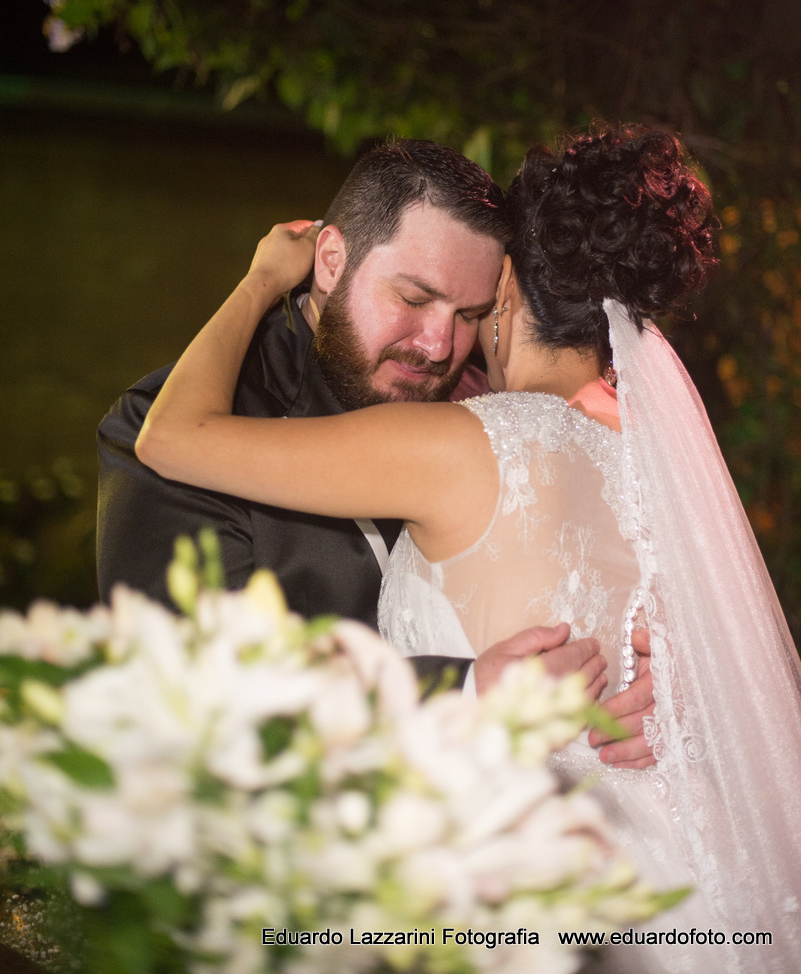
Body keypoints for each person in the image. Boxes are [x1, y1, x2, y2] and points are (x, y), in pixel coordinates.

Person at [135, 124, 801, 971]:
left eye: (472, 309)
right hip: (689, 865)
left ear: (511, 285)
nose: (447, 343)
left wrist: (265, 278)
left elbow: (174, 435)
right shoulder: (657, 452)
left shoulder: (463, 441)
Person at [98, 139, 646, 751]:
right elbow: (198, 688)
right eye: (413, 299)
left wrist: (650, 680)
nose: (439, 345)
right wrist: (461, 691)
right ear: (330, 261)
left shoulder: (487, 414)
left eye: (470, 315)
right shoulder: (174, 424)